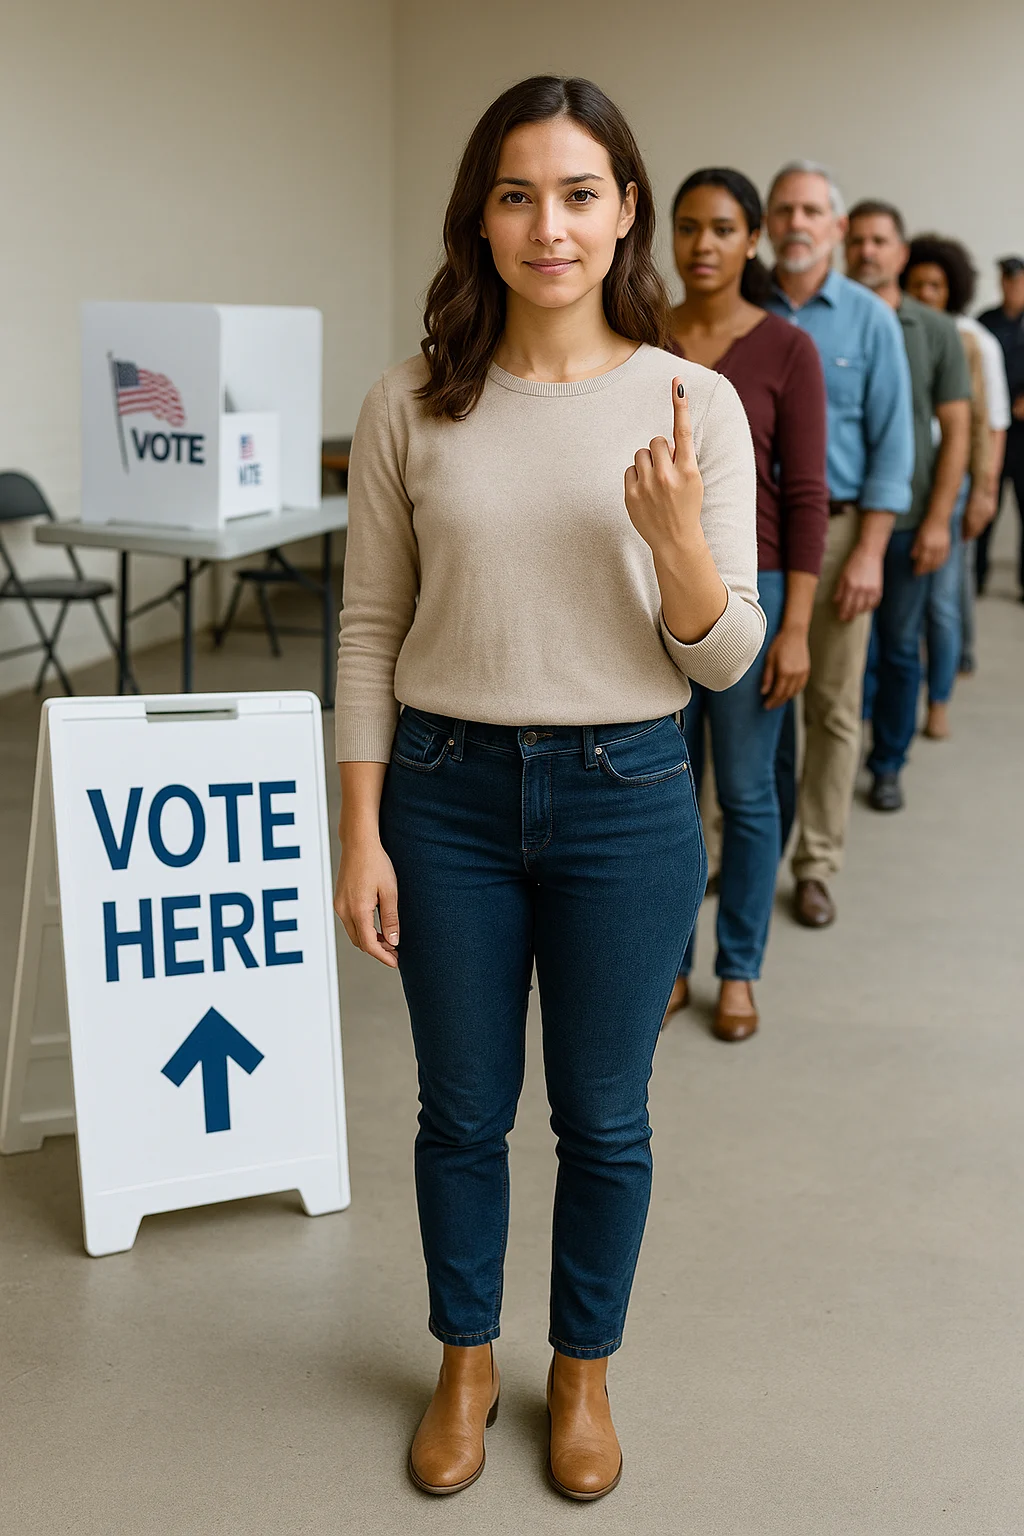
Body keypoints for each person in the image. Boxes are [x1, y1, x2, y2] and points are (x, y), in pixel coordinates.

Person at [333, 76, 764, 1502]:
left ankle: (580, 1371)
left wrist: (678, 555)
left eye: (579, 194)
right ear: (481, 217)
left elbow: (726, 657)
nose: (549, 225)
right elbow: (369, 629)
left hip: (627, 791)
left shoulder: (691, 402)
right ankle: (466, 1358)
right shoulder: (410, 399)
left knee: (605, 1113)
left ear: (626, 210)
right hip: (444, 797)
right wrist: (359, 834)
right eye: (517, 194)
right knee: (459, 1111)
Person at [663, 168, 828, 1041]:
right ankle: (670, 968)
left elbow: (807, 497)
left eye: (722, 229)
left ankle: (739, 970)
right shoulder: (640, 337)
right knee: (665, 794)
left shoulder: (787, 349)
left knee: (749, 794)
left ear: (752, 239)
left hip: (751, 593)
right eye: (688, 228)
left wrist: (796, 626)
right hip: (654, 585)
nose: (702, 246)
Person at [763, 161, 913, 929]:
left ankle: (816, 863)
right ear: (766, 222)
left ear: (836, 228)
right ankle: (730, 852)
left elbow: (894, 446)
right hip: (752, 531)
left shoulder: (869, 320)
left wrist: (869, 552)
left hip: (843, 529)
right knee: (744, 702)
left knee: (831, 705)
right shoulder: (742, 307)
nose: (795, 223)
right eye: (782, 208)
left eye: (809, 211)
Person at [845, 201, 970, 810]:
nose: (868, 251)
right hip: (842, 516)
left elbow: (958, 429)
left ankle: (888, 760)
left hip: (910, 521)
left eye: (880, 241)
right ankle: (840, 753)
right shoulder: (830, 320)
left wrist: (942, 520)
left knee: (896, 646)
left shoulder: (936, 330)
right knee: (844, 655)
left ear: (901, 253)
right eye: (859, 240)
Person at [901, 235, 999, 735]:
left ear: (951, 289)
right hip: (904, 486)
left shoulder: (969, 340)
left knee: (941, 603)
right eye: (916, 283)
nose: (925, 293)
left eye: (935, 285)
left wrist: (983, 490)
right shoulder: (894, 327)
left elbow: (983, 423)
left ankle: (938, 699)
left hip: (951, 485)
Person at [977, 256, 1024, 598]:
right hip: (993, 430)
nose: (1012, 287)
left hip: (1023, 433)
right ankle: (976, 577)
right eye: (1007, 281)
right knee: (984, 506)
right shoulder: (987, 321)